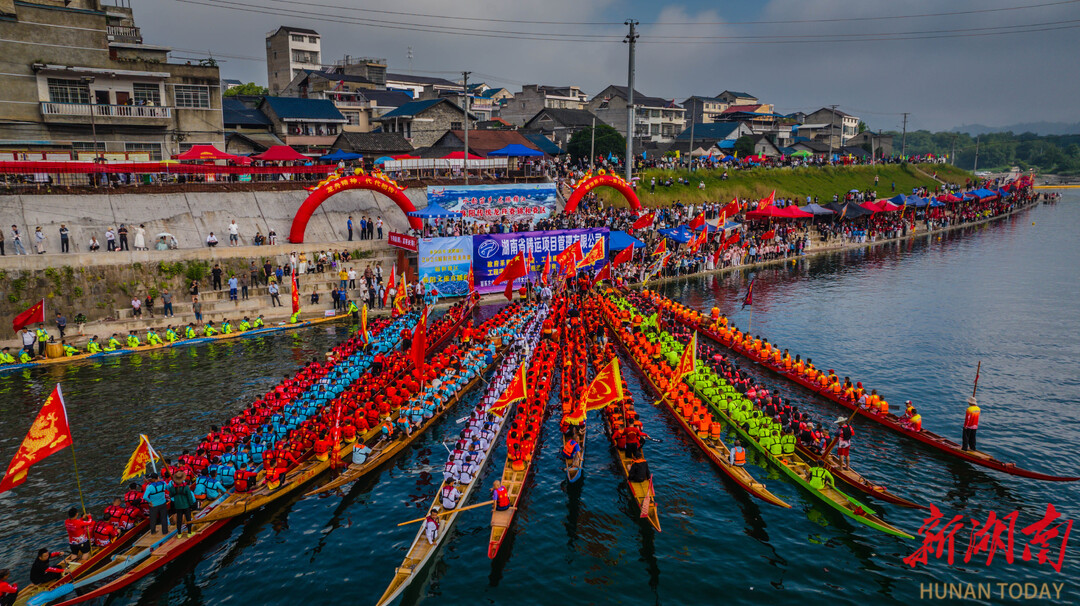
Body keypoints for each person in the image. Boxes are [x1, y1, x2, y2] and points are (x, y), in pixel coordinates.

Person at [169, 471, 196, 537]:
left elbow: (170, 495)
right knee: (188, 519)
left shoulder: (173, 487)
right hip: (186, 505)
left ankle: (179, 534)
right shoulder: (186, 487)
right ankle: (189, 533)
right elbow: (189, 497)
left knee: (179, 519)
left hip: (178, 505)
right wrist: (191, 505)